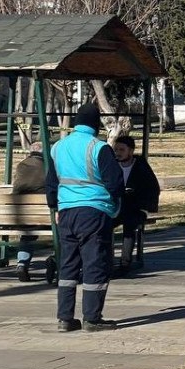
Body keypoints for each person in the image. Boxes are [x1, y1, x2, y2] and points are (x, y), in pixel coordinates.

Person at [45, 105, 125, 332]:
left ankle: (65, 318)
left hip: (66, 211)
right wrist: (116, 202)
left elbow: (51, 182)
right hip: (93, 211)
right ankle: (92, 317)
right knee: (94, 263)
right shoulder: (98, 147)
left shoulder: (58, 147)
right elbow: (115, 182)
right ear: (95, 124)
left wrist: (55, 207)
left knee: (68, 265)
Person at [112, 134, 161, 274]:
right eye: (116, 150)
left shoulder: (141, 167)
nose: (118, 153)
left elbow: (153, 189)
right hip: (117, 207)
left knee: (130, 225)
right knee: (103, 223)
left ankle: (125, 263)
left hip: (137, 208)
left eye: (122, 150)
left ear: (131, 151)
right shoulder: (113, 166)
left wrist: (137, 198)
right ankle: (104, 260)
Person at [11, 142, 46, 282]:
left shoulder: (22, 165)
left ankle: (22, 263)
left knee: (27, 234)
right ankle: (58, 260)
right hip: (43, 215)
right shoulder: (47, 166)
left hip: (21, 215)